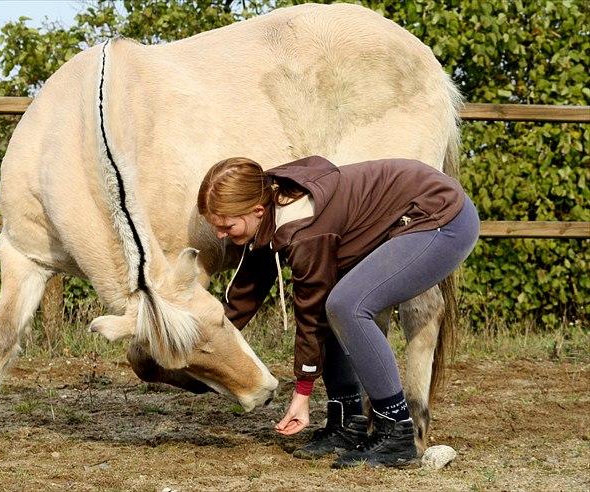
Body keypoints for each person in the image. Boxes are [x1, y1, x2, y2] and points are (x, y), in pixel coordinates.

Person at [197, 155, 479, 468]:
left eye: (226, 225)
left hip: (442, 219)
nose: (221, 235)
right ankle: (347, 423)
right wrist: (200, 338)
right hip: (418, 209)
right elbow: (247, 290)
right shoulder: (267, 201)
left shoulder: (303, 229)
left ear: (257, 211)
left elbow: (311, 312)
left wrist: (302, 393)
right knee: (336, 296)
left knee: (347, 304)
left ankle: (396, 430)